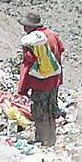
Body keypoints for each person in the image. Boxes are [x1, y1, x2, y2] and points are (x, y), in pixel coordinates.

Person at [17, 12, 65, 147]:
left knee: (39, 112)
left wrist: (23, 88)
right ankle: (51, 140)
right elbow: (61, 50)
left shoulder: (32, 41)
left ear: (29, 26)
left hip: (40, 83)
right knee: (51, 110)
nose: (24, 29)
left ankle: (42, 141)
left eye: (25, 26)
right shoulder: (52, 34)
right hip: (54, 80)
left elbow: (28, 64)